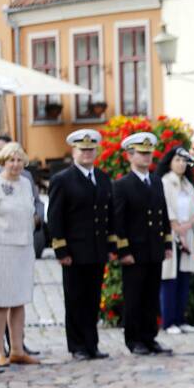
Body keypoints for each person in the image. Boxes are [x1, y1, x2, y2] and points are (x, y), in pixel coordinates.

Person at [47, 130, 116, 361]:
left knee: (93, 299)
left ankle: (91, 343)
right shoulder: (62, 180)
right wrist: (61, 249)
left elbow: (110, 216)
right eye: (82, 149)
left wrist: (112, 246)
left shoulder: (104, 178)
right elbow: (55, 217)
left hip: (96, 250)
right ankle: (77, 345)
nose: (87, 153)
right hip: (74, 252)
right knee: (75, 299)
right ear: (73, 151)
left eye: (91, 149)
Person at [0, 143, 41, 369]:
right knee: (0, 303)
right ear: (3, 161)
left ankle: (18, 350)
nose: (15, 164)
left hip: (23, 249)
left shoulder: (25, 184)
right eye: (11, 160)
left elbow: (31, 213)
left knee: (19, 301)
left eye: (19, 160)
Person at [112, 132, 173, 356]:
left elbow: (163, 214)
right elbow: (119, 221)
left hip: (154, 248)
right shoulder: (122, 185)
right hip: (135, 251)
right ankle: (134, 339)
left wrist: (167, 244)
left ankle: (150, 337)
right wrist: (124, 250)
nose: (147, 158)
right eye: (142, 154)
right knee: (134, 297)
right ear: (130, 156)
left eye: (149, 154)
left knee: (150, 297)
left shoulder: (156, 181)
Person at [159, 148, 194, 334]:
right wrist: (178, 229)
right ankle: (169, 322)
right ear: (170, 162)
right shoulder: (165, 182)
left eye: (184, 161)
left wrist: (190, 225)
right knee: (170, 278)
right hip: (171, 235)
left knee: (184, 279)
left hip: (188, 234)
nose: (181, 164)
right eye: (177, 160)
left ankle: (181, 318)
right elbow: (165, 209)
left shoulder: (188, 184)